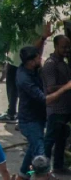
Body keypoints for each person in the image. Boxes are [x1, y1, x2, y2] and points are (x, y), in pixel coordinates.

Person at [17, 44, 71, 180]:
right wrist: (66, 87)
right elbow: (45, 100)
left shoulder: (29, 67)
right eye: (38, 58)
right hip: (30, 121)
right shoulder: (25, 80)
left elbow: (35, 53)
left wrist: (43, 39)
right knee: (40, 153)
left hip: (38, 118)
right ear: (31, 62)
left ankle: (23, 175)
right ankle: (42, 176)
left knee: (32, 150)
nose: (41, 58)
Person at [42, 35, 71, 174]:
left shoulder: (62, 62)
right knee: (49, 141)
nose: (67, 50)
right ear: (55, 46)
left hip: (64, 109)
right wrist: (67, 86)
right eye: (63, 47)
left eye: (68, 47)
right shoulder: (50, 64)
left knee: (61, 139)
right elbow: (50, 88)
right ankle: (43, 169)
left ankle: (58, 166)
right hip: (55, 109)